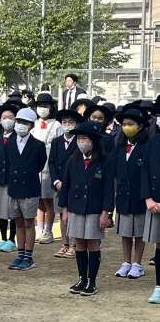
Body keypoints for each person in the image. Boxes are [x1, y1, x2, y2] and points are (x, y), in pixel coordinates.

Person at [59, 121, 115, 296]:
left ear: (94, 140)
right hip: (75, 208)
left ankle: (92, 281)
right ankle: (82, 278)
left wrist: (106, 212)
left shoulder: (105, 161)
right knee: (79, 243)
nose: (81, 142)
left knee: (92, 243)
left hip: (95, 209)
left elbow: (108, 189)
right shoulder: (73, 160)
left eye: (85, 138)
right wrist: (65, 209)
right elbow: (66, 186)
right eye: (79, 138)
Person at [7, 108, 46, 271]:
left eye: (25, 122)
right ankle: (20, 253)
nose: (20, 125)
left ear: (31, 125)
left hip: (30, 188)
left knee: (29, 222)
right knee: (18, 222)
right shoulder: (9, 142)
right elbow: (7, 163)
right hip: (13, 188)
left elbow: (39, 165)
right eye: (18, 121)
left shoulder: (38, 145)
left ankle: (28, 256)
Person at [113, 108, 148, 279]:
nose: (127, 127)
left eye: (131, 124)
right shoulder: (118, 146)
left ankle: (137, 264)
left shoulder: (146, 146)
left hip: (139, 196)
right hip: (122, 196)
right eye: (124, 124)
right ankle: (126, 262)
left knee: (139, 233)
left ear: (139, 126)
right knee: (125, 232)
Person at [49, 109, 82, 258]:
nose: (67, 125)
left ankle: (74, 245)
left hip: (74, 184)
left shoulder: (80, 141)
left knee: (73, 215)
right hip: (59, 185)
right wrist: (56, 181)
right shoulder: (56, 141)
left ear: (76, 124)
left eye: (71, 122)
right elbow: (52, 163)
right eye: (64, 122)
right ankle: (64, 244)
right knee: (62, 215)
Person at [32, 93, 63, 244]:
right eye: (40, 106)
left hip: (49, 166)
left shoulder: (57, 125)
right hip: (35, 165)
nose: (42, 109)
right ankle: (39, 229)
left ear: (51, 107)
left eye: (45, 106)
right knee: (38, 200)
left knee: (48, 199)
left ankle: (48, 230)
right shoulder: (34, 123)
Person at [0, 103, 19, 253]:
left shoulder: (18, 138)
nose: (7, 120)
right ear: (0, 121)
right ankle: (3, 238)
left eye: (10, 117)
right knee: (1, 211)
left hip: (13, 180)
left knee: (12, 211)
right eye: (4, 118)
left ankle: (12, 239)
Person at [141, 114, 160, 303]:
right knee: (159, 245)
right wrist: (148, 198)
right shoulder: (153, 142)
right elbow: (145, 170)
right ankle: (159, 286)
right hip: (155, 203)